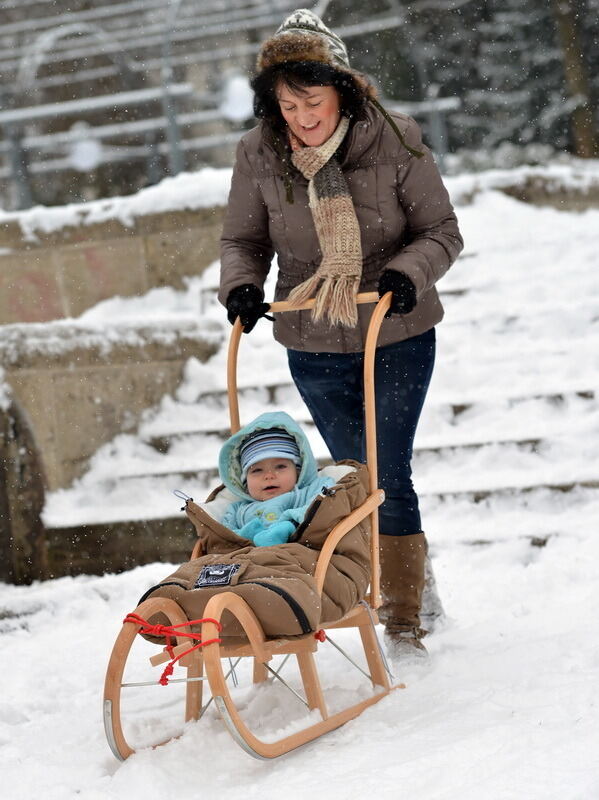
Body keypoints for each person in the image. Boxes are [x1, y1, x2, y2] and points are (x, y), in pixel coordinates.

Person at [219, 9, 464, 659]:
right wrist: (241, 288)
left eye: (314, 100)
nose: (302, 116)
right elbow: (243, 239)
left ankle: (404, 614)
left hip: (396, 330)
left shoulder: (394, 136)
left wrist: (406, 273)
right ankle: (391, 579)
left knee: (386, 471)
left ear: (342, 91)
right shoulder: (257, 152)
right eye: (287, 102)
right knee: (353, 478)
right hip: (313, 337)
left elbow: (441, 231)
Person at [218, 411, 334, 547]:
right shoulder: (238, 510)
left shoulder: (305, 493)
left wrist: (290, 521)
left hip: (298, 554)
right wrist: (246, 535)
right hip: (251, 559)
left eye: (280, 466)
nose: (269, 476)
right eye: (257, 470)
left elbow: (325, 498)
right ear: (245, 481)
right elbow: (224, 536)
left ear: (297, 471)